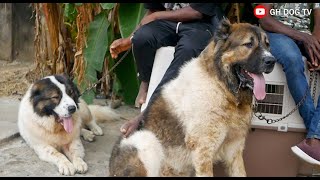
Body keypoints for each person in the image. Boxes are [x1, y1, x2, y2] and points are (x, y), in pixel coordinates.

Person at [110, 3, 224, 137]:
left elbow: (196, 12)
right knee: (142, 38)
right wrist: (130, 39)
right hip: (168, 23)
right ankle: (145, 82)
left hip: (201, 26)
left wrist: (157, 16)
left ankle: (148, 114)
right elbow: (153, 10)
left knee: (188, 49)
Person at [258, 3, 320, 165]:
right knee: (293, 60)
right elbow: (264, 18)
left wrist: (316, 49)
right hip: (276, 34)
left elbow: (318, 21)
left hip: (306, 36)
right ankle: (314, 135)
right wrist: (302, 36)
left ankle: (314, 138)